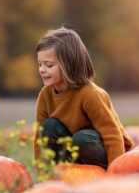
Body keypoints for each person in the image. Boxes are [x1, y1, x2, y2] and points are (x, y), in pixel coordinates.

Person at [34, 27, 132, 170]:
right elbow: (40, 139)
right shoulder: (45, 95)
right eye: (40, 64)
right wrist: (42, 172)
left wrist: (116, 172)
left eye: (49, 65)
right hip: (75, 152)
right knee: (48, 127)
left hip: (104, 151)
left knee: (82, 139)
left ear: (69, 65)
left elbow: (112, 135)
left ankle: (102, 171)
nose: (42, 69)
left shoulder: (91, 95)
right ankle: (66, 170)